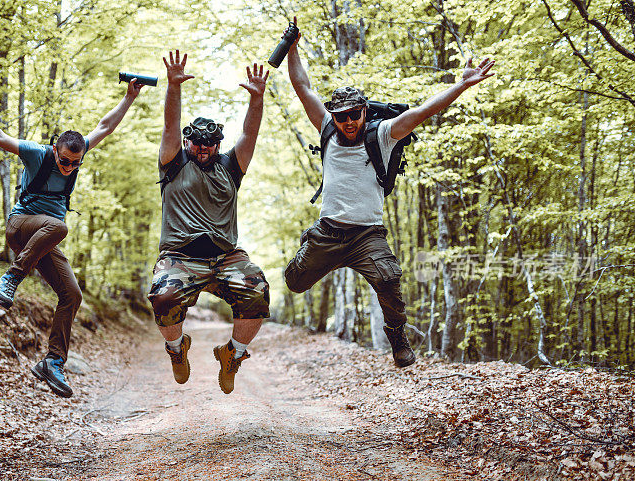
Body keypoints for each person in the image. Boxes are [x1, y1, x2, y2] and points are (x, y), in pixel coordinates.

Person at [282, 19, 495, 367]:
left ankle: (397, 339)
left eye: (354, 114)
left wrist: (461, 85)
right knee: (294, 283)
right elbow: (302, 86)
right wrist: (293, 48)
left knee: (390, 279)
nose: (348, 121)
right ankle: (307, 249)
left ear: (364, 111)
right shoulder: (326, 129)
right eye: (341, 116)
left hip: (367, 235)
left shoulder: (382, 134)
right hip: (328, 232)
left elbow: (423, 111)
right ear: (333, 117)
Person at [0, 77, 145, 398]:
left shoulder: (78, 153)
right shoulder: (36, 154)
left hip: (44, 239)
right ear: (54, 150)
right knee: (60, 227)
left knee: (72, 295)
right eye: (64, 160)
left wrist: (129, 98)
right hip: (21, 226)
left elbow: (105, 126)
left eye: (75, 163)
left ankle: (53, 362)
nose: (68, 167)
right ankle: (9, 279)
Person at [147, 50, 270, 394]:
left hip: (226, 255)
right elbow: (170, 126)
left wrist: (256, 99)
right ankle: (177, 348)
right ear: (188, 142)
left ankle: (232, 354)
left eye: (210, 143)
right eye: (197, 142)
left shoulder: (231, 166)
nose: (203, 148)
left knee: (257, 292)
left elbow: (250, 134)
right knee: (164, 296)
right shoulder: (173, 162)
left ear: (218, 143)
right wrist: (173, 87)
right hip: (180, 256)